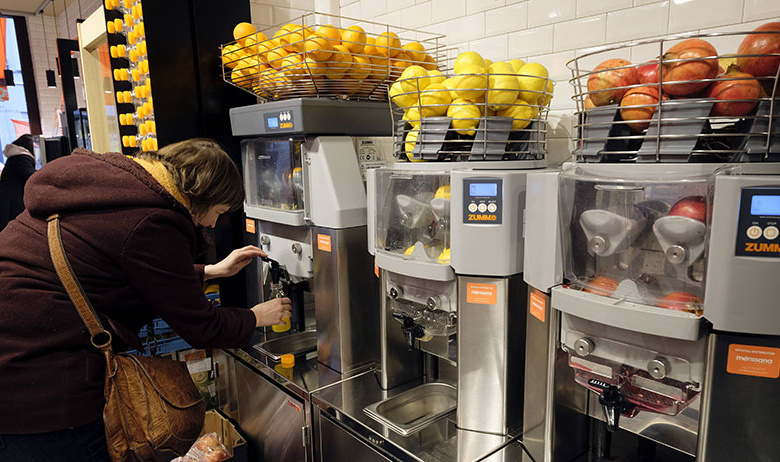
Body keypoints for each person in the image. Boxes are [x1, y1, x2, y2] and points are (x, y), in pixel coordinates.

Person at [0, 138, 291, 461]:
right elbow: (202, 327)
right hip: (39, 384)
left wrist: (210, 271)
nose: (212, 225)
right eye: (219, 212)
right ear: (202, 195)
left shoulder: (118, 189)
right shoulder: (152, 219)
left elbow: (128, 265)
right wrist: (256, 316)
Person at [0, 134, 36, 231]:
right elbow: (33, 177)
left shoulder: (15, 158)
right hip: (13, 203)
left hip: (8, 201)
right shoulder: (22, 158)